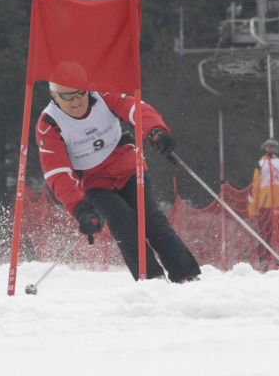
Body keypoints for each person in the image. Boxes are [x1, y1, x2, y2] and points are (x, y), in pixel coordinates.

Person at [35, 64, 201, 283]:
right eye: (66, 97)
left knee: (151, 219)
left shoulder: (103, 96)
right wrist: (79, 208)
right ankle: (151, 280)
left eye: (80, 94)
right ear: (54, 95)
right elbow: (57, 172)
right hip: (95, 182)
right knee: (122, 222)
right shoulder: (48, 123)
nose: (75, 101)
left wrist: (156, 131)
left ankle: (186, 275)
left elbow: (137, 109)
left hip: (127, 166)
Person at [247, 139, 279, 266]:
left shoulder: (260, 164)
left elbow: (255, 188)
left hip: (266, 203)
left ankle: (265, 260)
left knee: (265, 233)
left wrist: (253, 209)